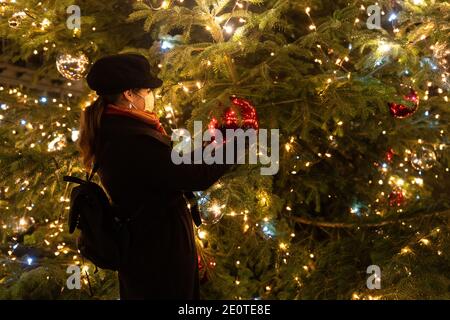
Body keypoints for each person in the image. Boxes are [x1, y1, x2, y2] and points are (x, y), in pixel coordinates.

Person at [78, 53, 233, 299]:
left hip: (147, 248)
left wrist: (218, 137)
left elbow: (173, 163)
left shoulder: (120, 128)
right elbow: (194, 175)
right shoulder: (129, 138)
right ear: (129, 94)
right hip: (157, 252)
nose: (152, 96)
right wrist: (237, 141)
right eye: (148, 90)